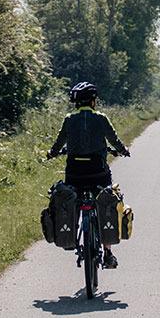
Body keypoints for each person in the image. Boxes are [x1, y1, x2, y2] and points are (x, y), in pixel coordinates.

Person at [47, 81, 130, 268]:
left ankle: (72, 234)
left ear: (76, 102)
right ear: (93, 101)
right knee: (105, 201)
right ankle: (108, 252)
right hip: (98, 172)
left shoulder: (69, 119)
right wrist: (123, 150)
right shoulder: (101, 118)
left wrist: (52, 153)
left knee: (74, 200)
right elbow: (114, 139)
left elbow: (59, 142)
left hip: (75, 173)